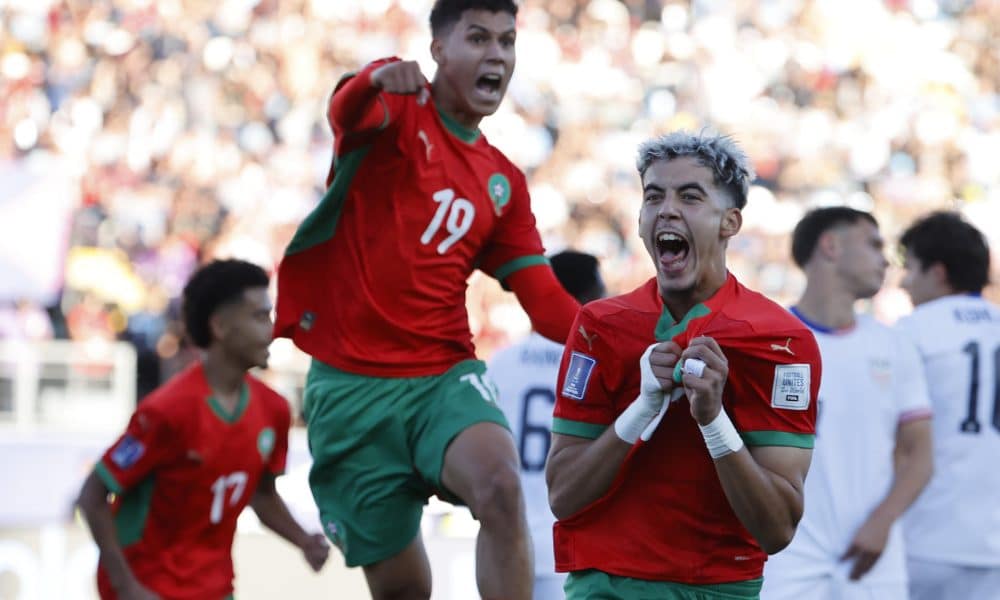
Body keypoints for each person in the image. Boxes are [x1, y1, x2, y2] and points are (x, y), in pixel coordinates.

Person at [272, 1, 580, 598]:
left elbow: (544, 303)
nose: (496, 54)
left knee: (499, 486)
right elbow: (347, 109)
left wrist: (633, 343)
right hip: (350, 393)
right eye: (479, 38)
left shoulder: (502, 182)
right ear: (438, 49)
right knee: (404, 591)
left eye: (507, 42)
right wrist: (373, 78)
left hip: (443, 377)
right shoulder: (396, 104)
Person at [544, 131, 822, 600]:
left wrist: (713, 419)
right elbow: (563, 496)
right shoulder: (599, 325)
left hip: (718, 588)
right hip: (605, 583)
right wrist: (641, 407)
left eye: (690, 196)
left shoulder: (781, 341)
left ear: (730, 222)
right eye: (654, 197)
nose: (667, 209)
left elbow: (777, 528)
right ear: (639, 220)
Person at [77, 259, 330, 600]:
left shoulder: (274, 410)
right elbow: (93, 495)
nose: (272, 330)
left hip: (215, 587)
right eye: (260, 317)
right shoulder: (166, 411)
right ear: (221, 327)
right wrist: (127, 587)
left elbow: (262, 493)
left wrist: (303, 540)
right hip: (148, 587)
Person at [760, 207, 933, 600]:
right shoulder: (768, 344)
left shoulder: (894, 344)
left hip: (873, 562)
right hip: (787, 562)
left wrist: (883, 522)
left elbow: (920, 452)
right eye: (873, 244)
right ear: (831, 246)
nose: (884, 259)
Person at [488, 250, 606, 599]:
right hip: (569, 542)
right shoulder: (595, 363)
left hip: (507, 538)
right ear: (584, 298)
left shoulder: (502, 362)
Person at [895, 211, 1000, 600]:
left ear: (937, 272)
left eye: (910, 268)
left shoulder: (912, 332)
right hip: (993, 545)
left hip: (926, 538)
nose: (904, 281)